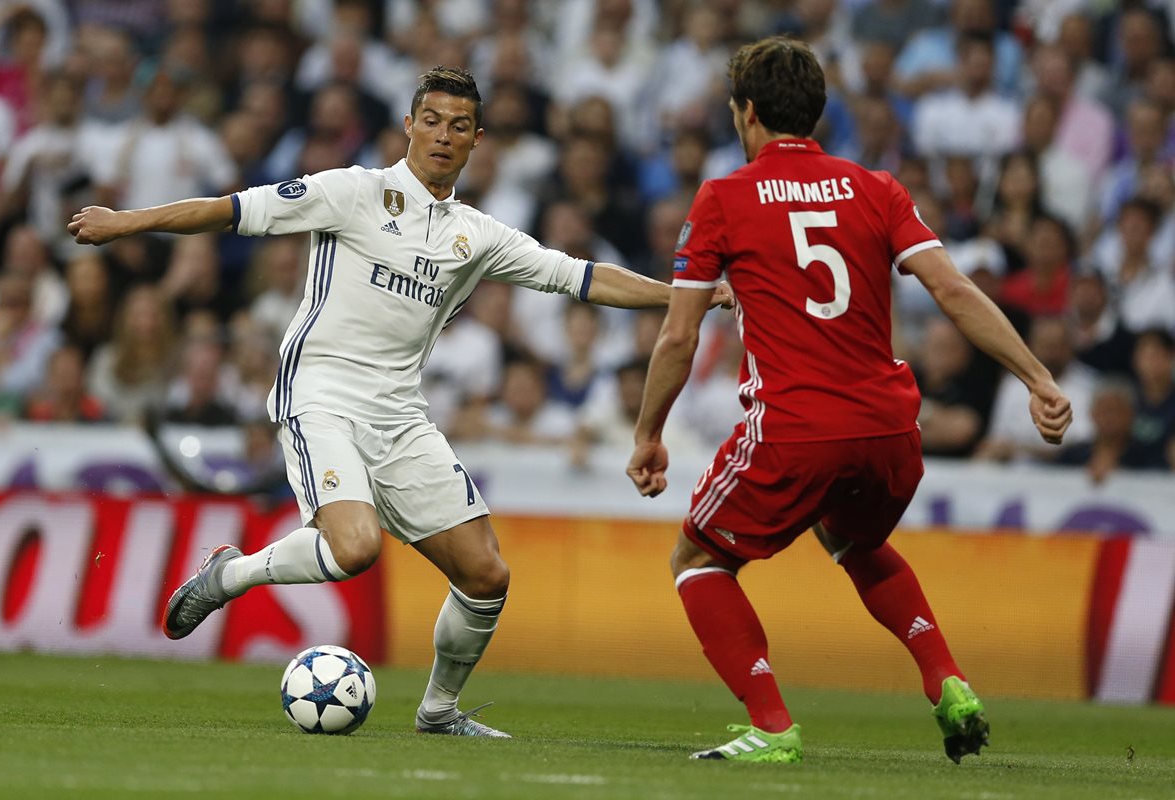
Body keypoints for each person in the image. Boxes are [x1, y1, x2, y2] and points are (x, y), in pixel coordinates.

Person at [68, 66, 729, 739]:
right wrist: (126, 223)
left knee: (486, 574)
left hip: (398, 414)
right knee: (354, 548)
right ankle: (230, 574)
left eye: (461, 126)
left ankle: (439, 712)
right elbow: (232, 209)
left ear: (477, 144)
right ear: (409, 125)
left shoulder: (478, 235)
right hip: (319, 391)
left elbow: (582, 278)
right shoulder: (352, 193)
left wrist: (690, 295)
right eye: (433, 120)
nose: (444, 135)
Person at [625, 37, 1072, 765]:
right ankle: (947, 678)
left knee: (697, 560)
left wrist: (648, 432)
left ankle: (771, 726)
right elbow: (954, 291)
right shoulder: (878, 187)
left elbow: (679, 336)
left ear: (746, 114)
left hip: (797, 426)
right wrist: (1038, 378)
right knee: (852, 537)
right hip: (893, 429)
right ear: (818, 113)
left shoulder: (724, 198)